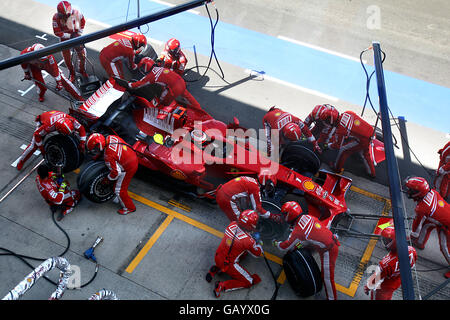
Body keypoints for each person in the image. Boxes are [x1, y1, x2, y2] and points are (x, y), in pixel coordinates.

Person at [272, 201, 340, 300]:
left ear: (290, 215)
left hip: (328, 250)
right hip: (324, 242)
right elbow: (305, 239)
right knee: (299, 245)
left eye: (285, 214)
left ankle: (332, 298)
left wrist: (275, 243)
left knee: (327, 278)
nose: (283, 216)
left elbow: (284, 247)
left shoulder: (299, 232)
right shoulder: (308, 217)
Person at [206, 209, 263, 298]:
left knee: (240, 251)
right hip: (229, 265)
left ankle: (216, 269)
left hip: (217, 256)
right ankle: (222, 286)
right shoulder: (249, 241)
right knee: (249, 281)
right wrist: (258, 243)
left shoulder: (232, 224)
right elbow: (258, 254)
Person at [404, 176, 450, 278]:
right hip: (442, 217)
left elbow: (416, 227)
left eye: (411, 190)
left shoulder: (422, 208)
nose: (408, 191)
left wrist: (410, 233)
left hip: (447, 225)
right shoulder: (432, 191)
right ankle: (419, 243)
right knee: (426, 225)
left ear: (418, 193)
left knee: (444, 247)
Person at [86, 133, 139, 215]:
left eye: (95, 149)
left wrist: (106, 180)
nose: (95, 151)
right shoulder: (110, 137)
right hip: (131, 154)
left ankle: (130, 207)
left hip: (129, 167)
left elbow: (116, 173)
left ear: (99, 145)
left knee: (119, 190)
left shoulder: (108, 156)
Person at [17, 110, 86, 171]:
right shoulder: (47, 126)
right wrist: (42, 149)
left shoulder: (70, 119)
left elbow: (81, 128)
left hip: (51, 116)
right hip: (43, 121)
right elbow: (37, 135)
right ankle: (21, 161)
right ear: (58, 129)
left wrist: (82, 142)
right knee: (33, 146)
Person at [364, 225, 417, 300]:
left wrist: (367, 287)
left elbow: (376, 278)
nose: (385, 242)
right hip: (396, 281)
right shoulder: (412, 251)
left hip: (384, 287)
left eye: (387, 240)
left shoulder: (386, 264)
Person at [128, 57, 201, 110]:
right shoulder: (161, 68)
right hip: (181, 81)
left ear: (145, 67)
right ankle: (200, 109)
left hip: (175, 88)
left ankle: (162, 112)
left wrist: (129, 85)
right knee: (188, 96)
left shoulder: (151, 76)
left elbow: (139, 84)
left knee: (163, 101)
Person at [20, 43, 85, 102]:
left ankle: (79, 97)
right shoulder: (24, 55)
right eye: (41, 60)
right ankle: (41, 95)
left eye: (44, 60)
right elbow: (24, 64)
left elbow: (55, 69)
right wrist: (27, 73)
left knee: (63, 80)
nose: (42, 62)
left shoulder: (49, 58)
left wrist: (59, 82)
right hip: (33, 67)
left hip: (48, 65)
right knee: (40, 85)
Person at [327, 110, 377, 178]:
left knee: (343, 150)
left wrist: (328, 145)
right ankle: (371, 172)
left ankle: (336, 168)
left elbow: (338, 145)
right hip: (371, 131)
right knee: (365, 153)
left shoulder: (341, 130)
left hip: (363, 140)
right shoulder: (348, 112)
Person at [215, 175, 283, 224]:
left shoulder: (252, 181)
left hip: (223, 192)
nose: (268, 189)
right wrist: (272, 216)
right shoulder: (255, 188)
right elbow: (258, 209)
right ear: (264, 182)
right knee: (242, 223)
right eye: (269, 187)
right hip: (226, 198)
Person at [52, 1, 88, 82]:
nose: (66, 17)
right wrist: (68, 36)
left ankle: (82, 70)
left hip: (76, 36)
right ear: (60, 14)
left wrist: (79, 33)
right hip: (65, 40)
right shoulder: (56, 18)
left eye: (68, 15)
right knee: (67, 59)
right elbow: (57, 32)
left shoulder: (77, 13)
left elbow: (83, 22)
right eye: (64, 16)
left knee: (83, 54)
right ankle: (72, 73)